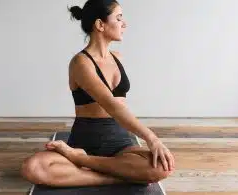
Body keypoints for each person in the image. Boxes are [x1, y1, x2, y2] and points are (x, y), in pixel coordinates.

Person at [20, 0, 175, 187]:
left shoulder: (117, 58)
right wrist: (152, 138)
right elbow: (112, 105)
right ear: (100, 24)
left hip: (120, 144)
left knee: (162, 167)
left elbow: (119, 109)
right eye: (118, 18)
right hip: (84, 140)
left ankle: (83, 162)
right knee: (33, 167)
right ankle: (117, 174)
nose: (124, 24)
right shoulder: (80, 63)